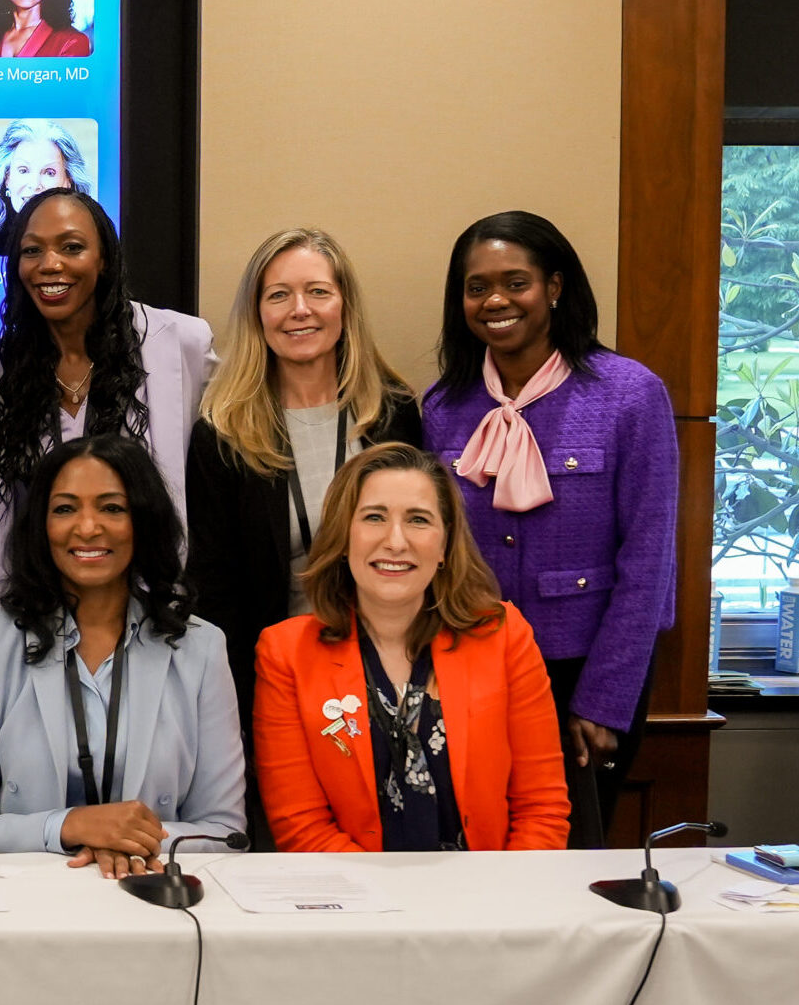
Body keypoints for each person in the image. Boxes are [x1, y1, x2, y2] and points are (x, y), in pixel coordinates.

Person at [420, 212, 677, 848]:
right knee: (469, 848)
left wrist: (605, 699)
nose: (496, 301)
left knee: (568, 855)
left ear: (555, 286)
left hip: (582, 672)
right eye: (477, 287)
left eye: (516, 282)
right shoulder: (442, 406)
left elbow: (649, 562)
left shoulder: (629, 395)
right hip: (467, 668)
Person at [188, 228, 422, 841]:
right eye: (278, 296)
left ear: (345, 306)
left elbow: (426, 553)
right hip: (279, 688)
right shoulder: (223, 432)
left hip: (390, 681)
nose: (300, 311)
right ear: (256, 313)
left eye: (318, 291)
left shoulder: (393, 414)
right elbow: (215, 592)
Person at [0, 437, 243, 870]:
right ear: (41, 524)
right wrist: (72, 826)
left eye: (112, 508)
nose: (89, 527)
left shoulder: (201, 647)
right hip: (22, 906)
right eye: (65, 508)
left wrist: (126, 838)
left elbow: (226, 832)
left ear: (143, 521)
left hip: (152, 900)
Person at [254, 444, 570, 853]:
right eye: (374, 517)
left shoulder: (503, 635)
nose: (396, 541)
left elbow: (540, 811)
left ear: (444, 546)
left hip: (491, 900)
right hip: (356, 906)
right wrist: (389, 912)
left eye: (418, 520)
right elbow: (302, 827)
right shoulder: (285, 654)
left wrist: (499, 905)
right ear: (343, 537)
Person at [0, 189, 214, 593]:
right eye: (32, 251)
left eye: (72, 247)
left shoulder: (181, 342)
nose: (49, 265)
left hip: (152, 607)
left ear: (104, 259)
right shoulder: (2, 362)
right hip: (40, 608)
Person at [0, 119, 86, 256]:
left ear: (68, 181)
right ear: (7, 178)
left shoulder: (87, 244)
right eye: (24, 170)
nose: (35, 185)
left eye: (49, 172)